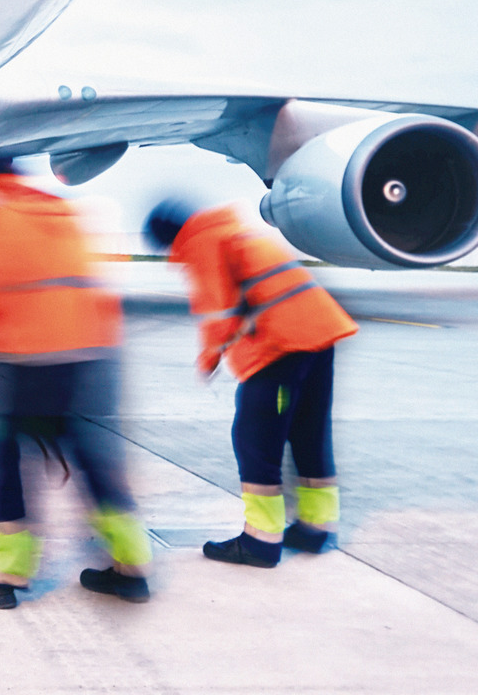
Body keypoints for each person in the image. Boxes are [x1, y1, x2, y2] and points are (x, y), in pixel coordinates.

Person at [0, 159, 152, 608]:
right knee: (95, 463)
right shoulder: (57, 208)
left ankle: (2, 576)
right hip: (91, 358)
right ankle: (131, 568)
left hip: (26, 361)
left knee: (3, 462)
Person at [145, 199, 357, 568]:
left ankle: (261, 541)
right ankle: (316, 528)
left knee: (255, 441)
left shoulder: (200, 243)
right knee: (309, 435)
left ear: (169, 238)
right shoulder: (230, 231)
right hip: (319, 337)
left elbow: (218, 312)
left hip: (281, 347)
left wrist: (208, 360)